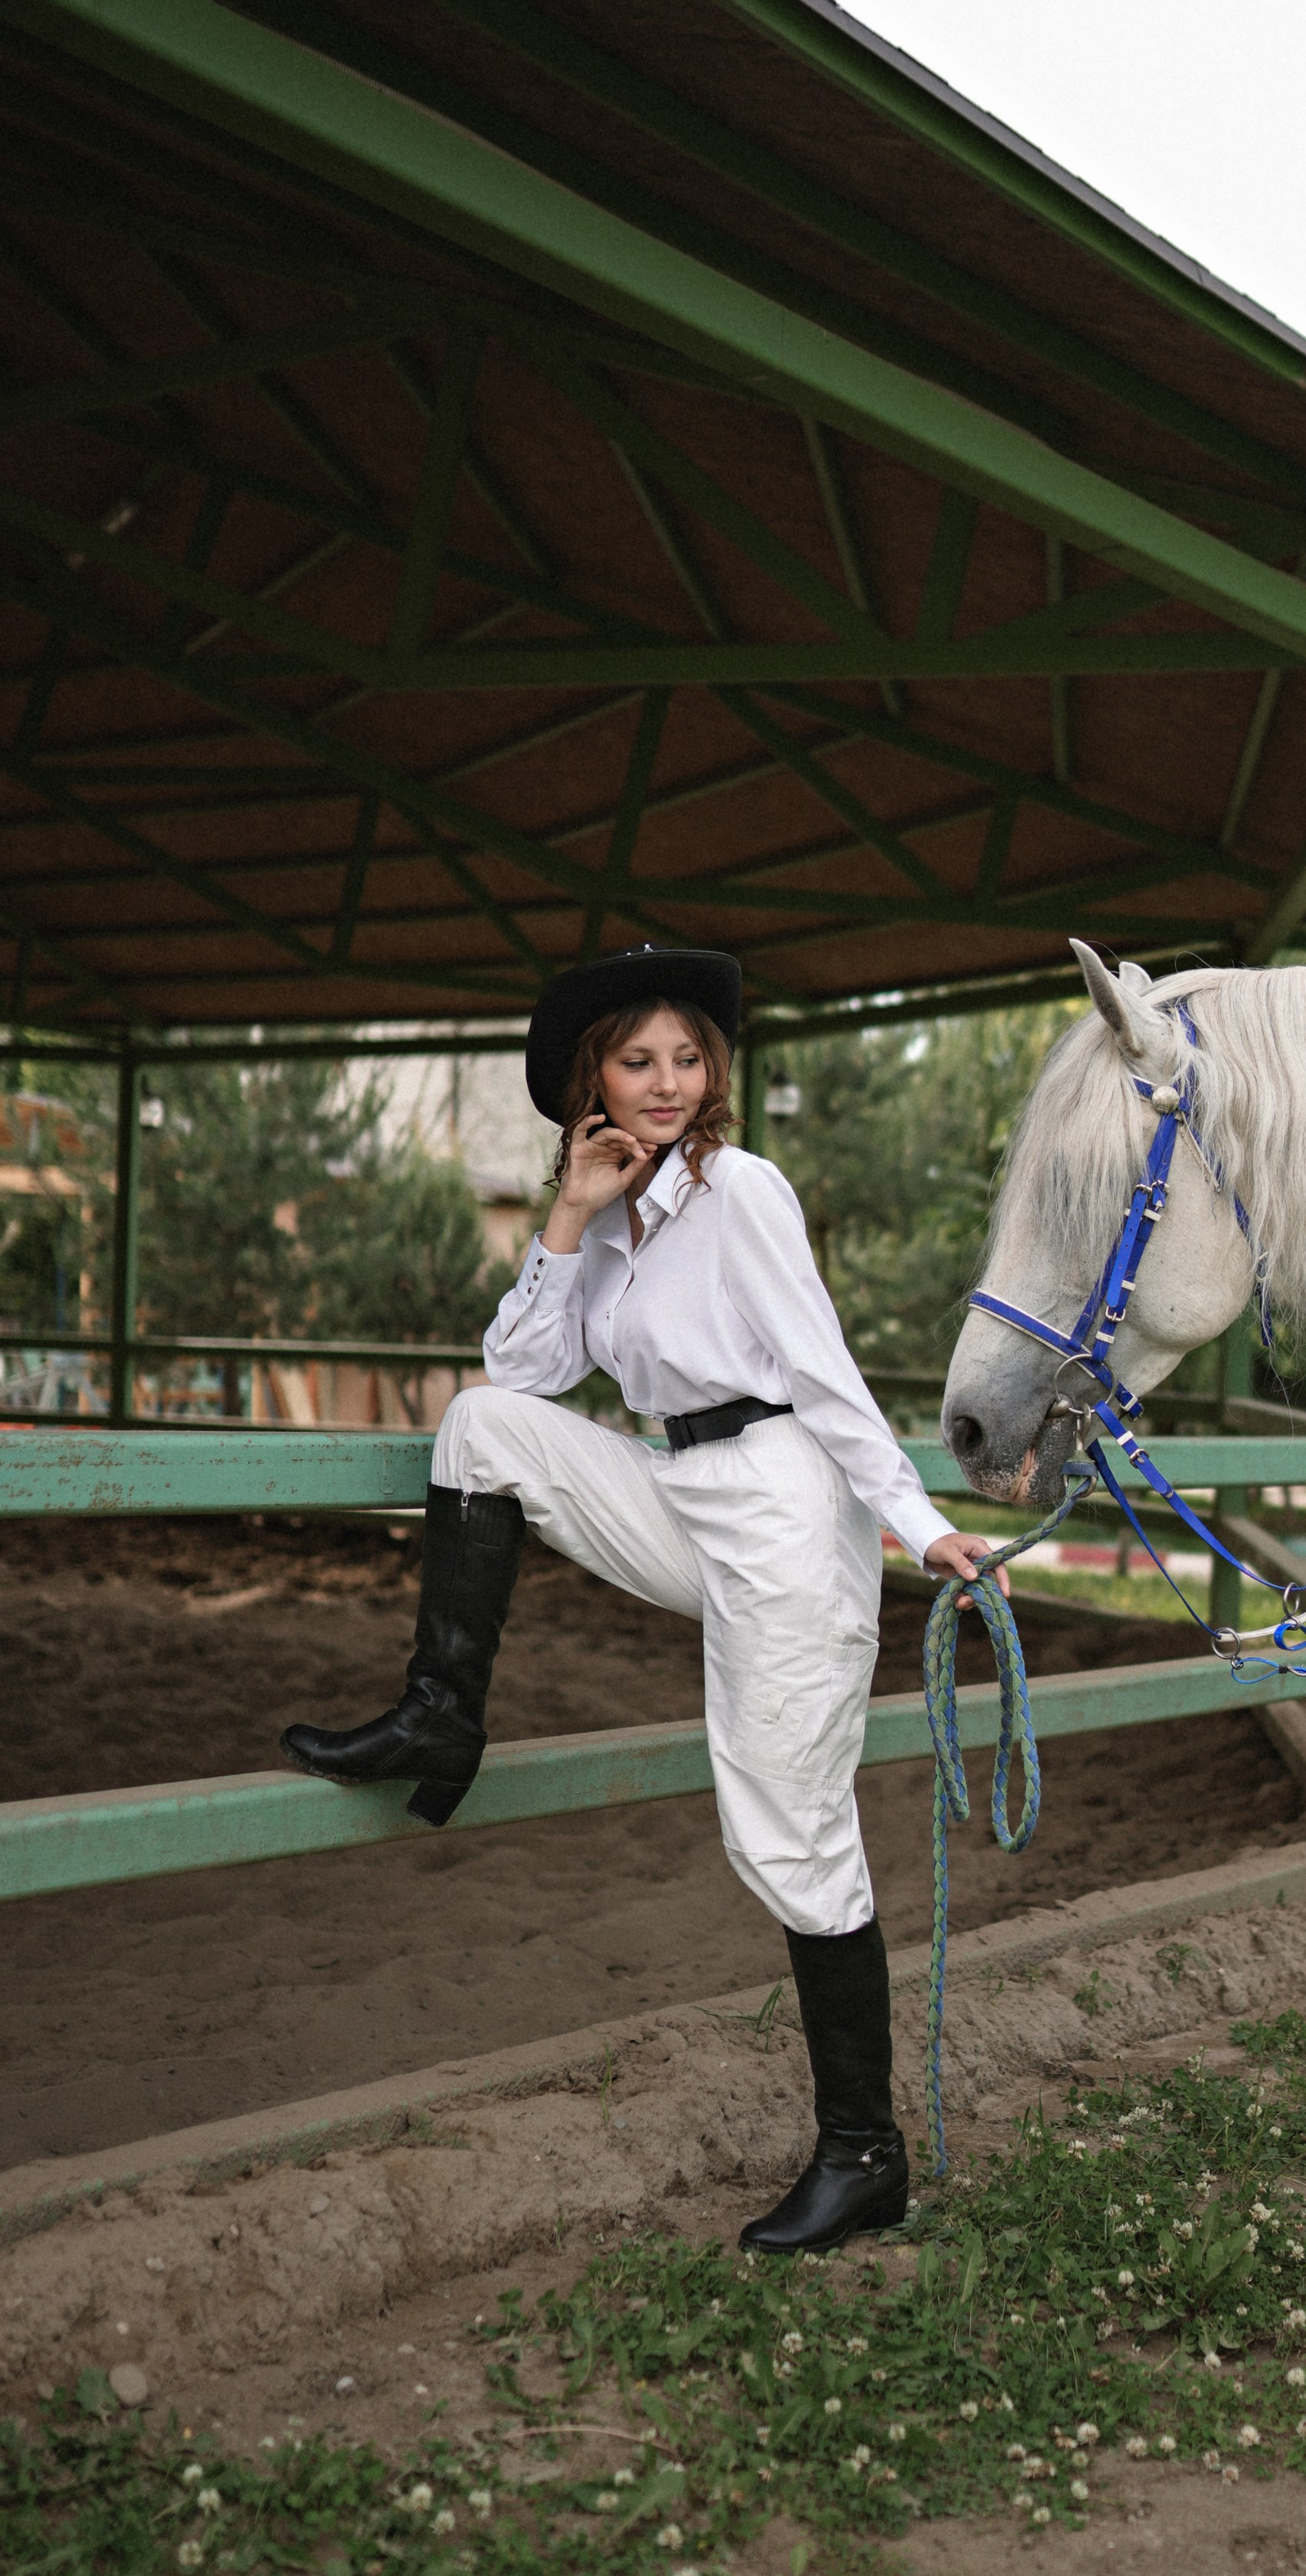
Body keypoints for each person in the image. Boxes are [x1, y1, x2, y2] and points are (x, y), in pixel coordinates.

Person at [280, 947, 1003, 2255]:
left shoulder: (745, 1192)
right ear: (591, 1082)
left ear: (713, 1071)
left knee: (787, 1832)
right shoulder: (611, 1212)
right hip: (684, 1484)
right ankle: (438, 1715)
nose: (668, 1085)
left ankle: (864, 2153)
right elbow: (527, 1370)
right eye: (637, 1061)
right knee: (483, 1427)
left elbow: (824, 1373)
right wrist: (566, 1219)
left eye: (687, 1058)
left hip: (784, 1504)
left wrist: (924, 1523)